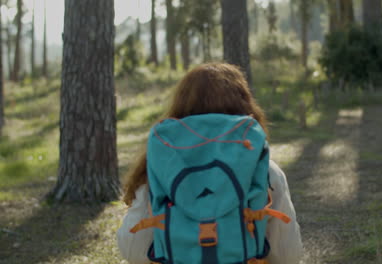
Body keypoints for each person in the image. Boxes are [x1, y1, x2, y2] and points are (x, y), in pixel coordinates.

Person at [117, 63, 303, 264]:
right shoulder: (266, 171)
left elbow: (133, 249)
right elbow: (288, 256)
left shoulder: (161, 164)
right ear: (244, 106)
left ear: (179, 108)